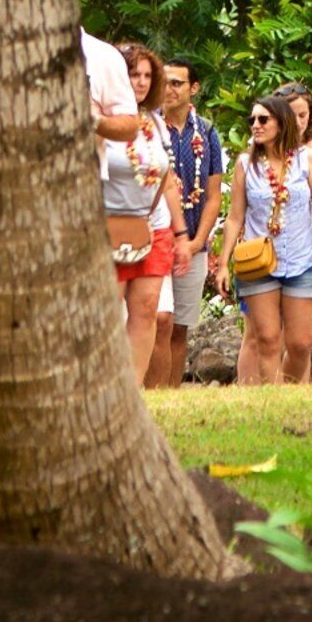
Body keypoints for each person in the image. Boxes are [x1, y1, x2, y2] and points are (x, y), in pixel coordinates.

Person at [215, 93, 312, 386]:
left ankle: (286, 392)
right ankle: (274, 402)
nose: (255, 125)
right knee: (267, 338)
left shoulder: (306, 159)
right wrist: (223, 264)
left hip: (301, 259)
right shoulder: (244, 165)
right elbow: (235, 217)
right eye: (252, 120)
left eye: (263, 119)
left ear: (281, 122)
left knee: (300, 344)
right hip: (258, 261)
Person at [104, 41, 181, 380]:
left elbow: (166, 180)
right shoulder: (103, 119)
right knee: (107, 312)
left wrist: (181, 233)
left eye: (148, 75)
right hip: (108, 225)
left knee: (148, 308)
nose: (141, 82)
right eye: (134, 73)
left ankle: (132, 388)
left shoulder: (155, 122)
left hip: (153, 224)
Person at [152, 54, 225, 389]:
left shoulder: (207, 131)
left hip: (193, 244)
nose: (169, 89)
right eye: (164, 82)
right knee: (154, 320)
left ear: (194, 88)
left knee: (180, 325)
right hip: (155, 240)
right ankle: (148, 393)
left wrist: (197, 244)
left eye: (177, 83)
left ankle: (173, 392)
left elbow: (213, 196)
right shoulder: (149, 127)